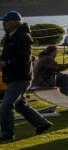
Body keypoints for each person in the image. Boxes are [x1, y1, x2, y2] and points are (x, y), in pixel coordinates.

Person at [0, 11, 53, 140]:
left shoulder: (23, 36)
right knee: (20, 105)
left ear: (14, 22)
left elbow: (24, 58)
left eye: (5, 22)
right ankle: (42, 123)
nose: (3, 24)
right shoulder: (10, 36)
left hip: (20, 77)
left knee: (6, 106)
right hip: (14, 77)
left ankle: (8, 134)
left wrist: (6, 63)